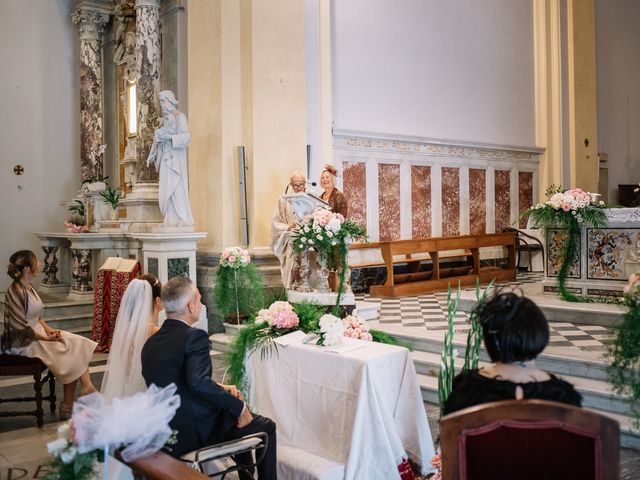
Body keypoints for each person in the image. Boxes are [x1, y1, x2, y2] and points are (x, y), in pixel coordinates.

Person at [141, 277, 277, 479]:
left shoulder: (151, 343)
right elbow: (198, 383)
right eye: (199, 299)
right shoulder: (194, 336)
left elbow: (181, 382)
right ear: (190, 305)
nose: (202, 304)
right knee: (266, 426)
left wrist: (223, 391)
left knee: (232, 412)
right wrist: (239, 408)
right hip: (194, 431)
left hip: (167, 430)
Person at [443, 291, 582, 415]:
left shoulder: (467, 389)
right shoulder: (563, 396)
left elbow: (451, 439)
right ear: (540, 335)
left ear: (487, 341)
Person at [2, 250, 97, 420]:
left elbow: (37, 318)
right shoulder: (15, 291)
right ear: (26, 268)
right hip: (21, 342)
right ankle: (70, 402)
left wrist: (49, 330)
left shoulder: (29, 286)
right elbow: (19, 327)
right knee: (67, 350)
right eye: (36, 260)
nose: (40, 263)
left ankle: (84, 388)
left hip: (37, 333)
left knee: (74, 342)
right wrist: (46, 338)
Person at [100, 274, 163, 400]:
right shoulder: (155, 332)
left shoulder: (125, 331)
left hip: (124, 394)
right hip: (148, 394)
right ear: (157, 300)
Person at [147, 90, 194, 227]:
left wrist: (169, 138)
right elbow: (159, 139)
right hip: (166, 159)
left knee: (177, 186)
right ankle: (170, 219)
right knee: (167, 187)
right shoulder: (166, 120)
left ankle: (182, 218)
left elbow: (186, 137)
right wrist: (155, 151)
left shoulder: (180, 117)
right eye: (160, 101)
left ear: (170, 101)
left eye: (163, 101)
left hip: (176, 160)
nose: (161, 105)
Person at [270, 171, 307, 289]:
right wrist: (288, 227)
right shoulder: (283, 200)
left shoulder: (311, 197)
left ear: (305, 184)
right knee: (291, 270)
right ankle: (291, 295)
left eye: (301, 184)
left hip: (309, 242)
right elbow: (275, 222)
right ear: (290, 185)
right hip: (292, 241)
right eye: (296, 185)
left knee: (307, 273)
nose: (299, 187)